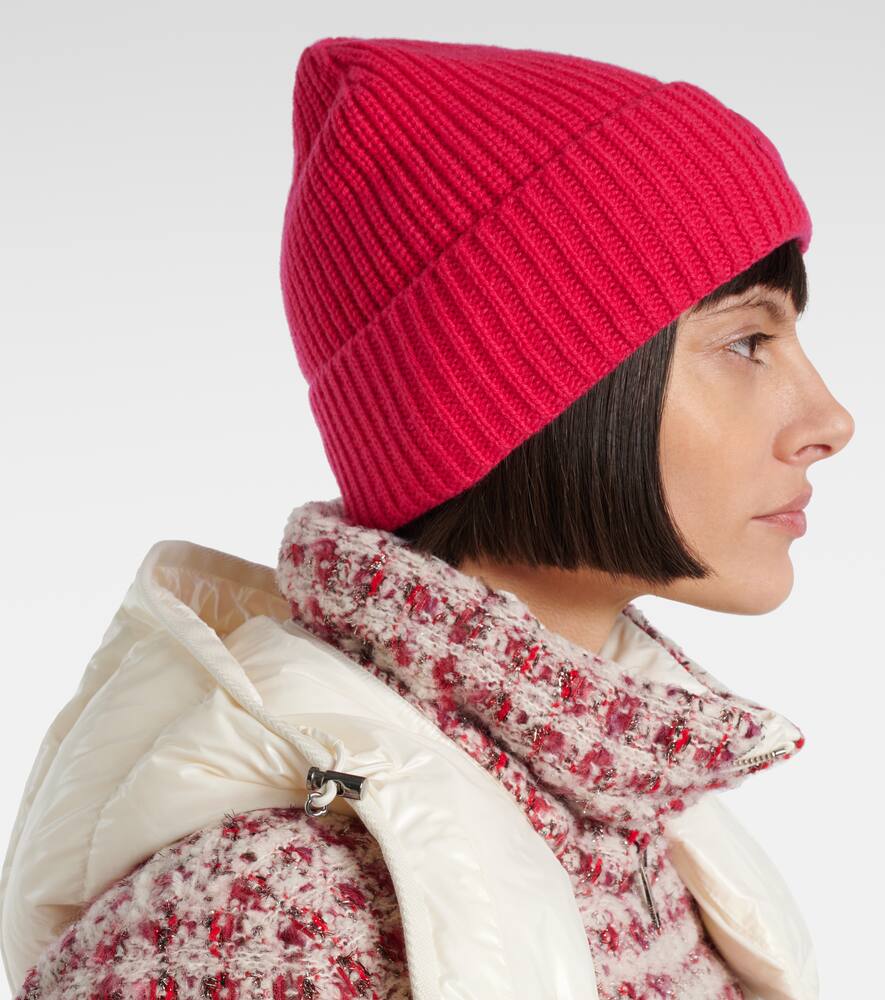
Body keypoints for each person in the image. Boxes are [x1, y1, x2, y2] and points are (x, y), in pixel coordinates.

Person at [0, 34, 854, 1000]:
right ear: (519, 397)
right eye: (746, 342)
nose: (830, 421)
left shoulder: (641, 819)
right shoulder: (273, 914)